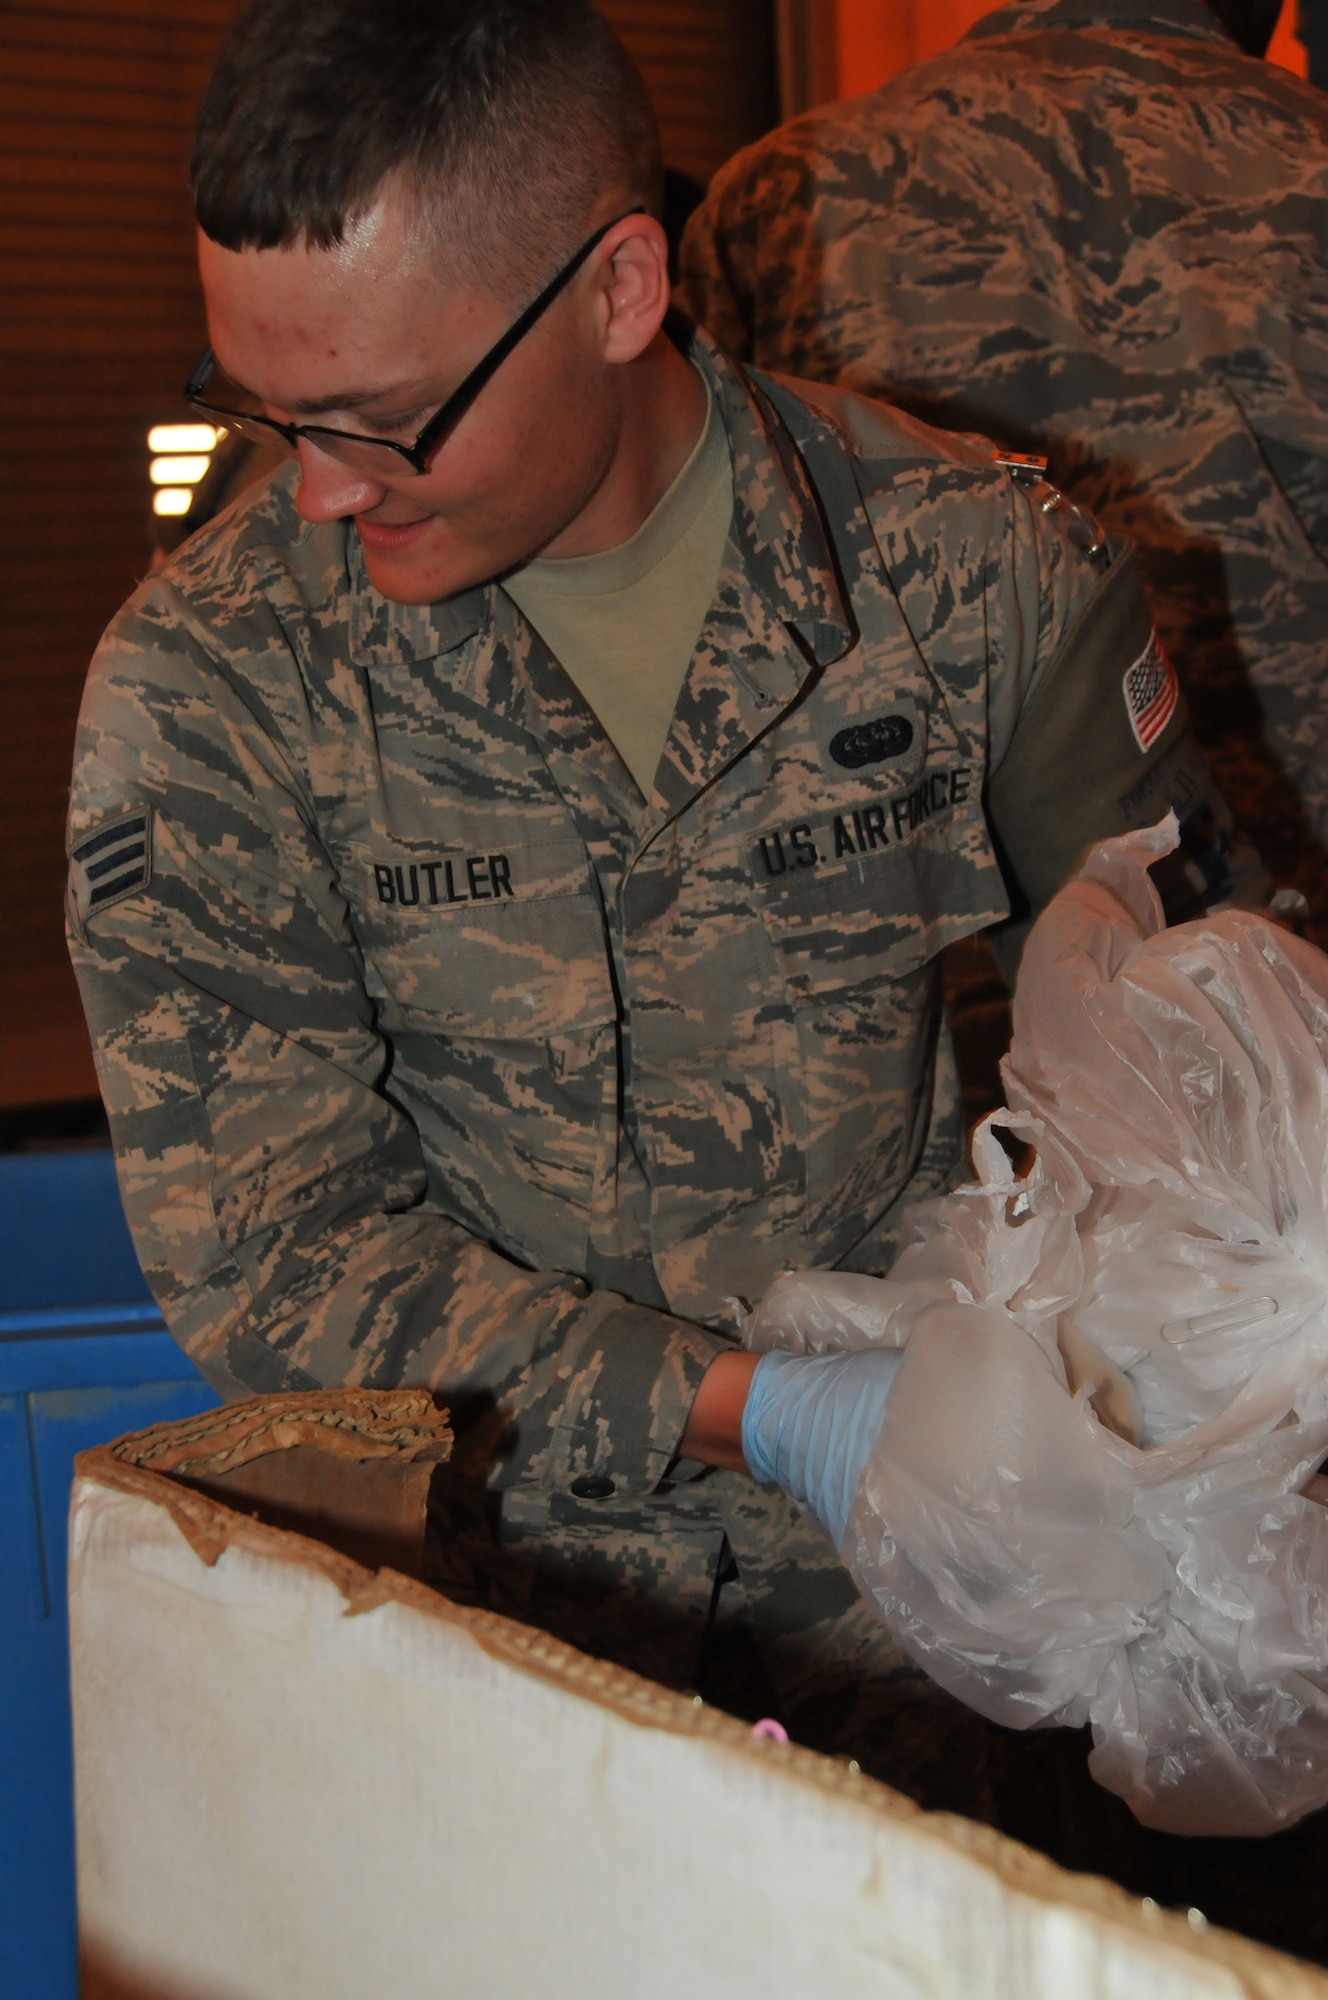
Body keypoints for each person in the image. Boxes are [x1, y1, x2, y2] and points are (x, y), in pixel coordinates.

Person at [66, 0, 1249, 1807]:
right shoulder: (214, 690)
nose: (309, 492)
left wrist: (1108, 1392)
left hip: (937, 1653)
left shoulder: (968, 573)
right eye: (259, 407)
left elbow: (1181, 1073)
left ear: (618, 292)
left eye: (379, 424)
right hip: (488, 1655)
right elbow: (277, 1251)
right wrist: (765, 1411)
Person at [679, 0, 1328, 940]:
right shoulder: (1307, 166)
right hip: (1276, 994)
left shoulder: (780, 198)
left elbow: (709, 636)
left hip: (907, 977)